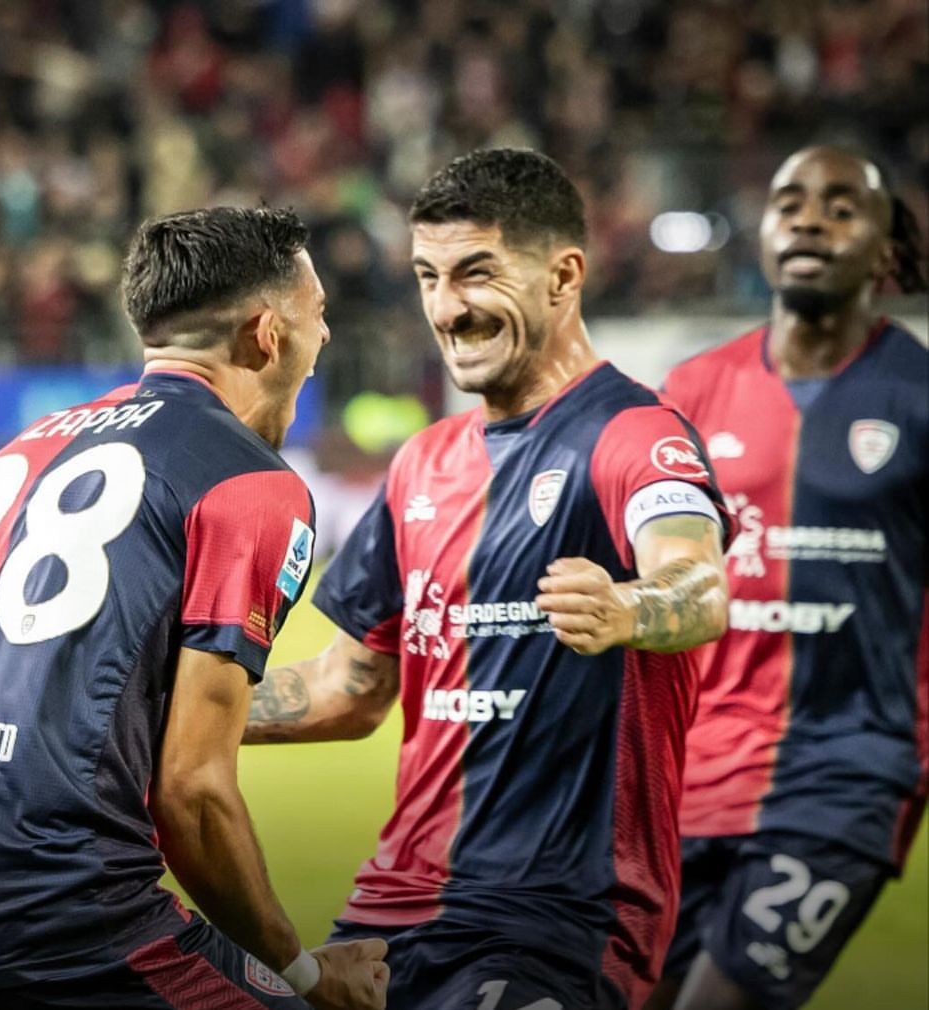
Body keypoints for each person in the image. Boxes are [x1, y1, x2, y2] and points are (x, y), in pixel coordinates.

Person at [0, 206, 389, 1010]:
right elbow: (192, 792)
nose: (326, 336)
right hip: (52, 915)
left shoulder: (19, 453)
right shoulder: (249, 483)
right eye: (318, 314)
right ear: (267, 333)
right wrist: (305, 975)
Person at [245, 147, 734, 1010]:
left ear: (564, 276)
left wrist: (628, 606)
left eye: (476, 273)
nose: (447, 308)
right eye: (428, 277)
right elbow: (347, 689)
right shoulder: (422, 463)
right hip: (391, 913)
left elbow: (699, 583)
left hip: (556, 919)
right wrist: (165, 708)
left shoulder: (632, 433)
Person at [645, 147, 927, 1010]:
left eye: (841, 207)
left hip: (850, 772)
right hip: (691, 779)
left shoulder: (919, 396)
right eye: (789, 202)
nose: (809, 219)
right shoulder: (691, 390)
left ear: (886, 250)